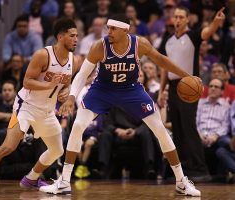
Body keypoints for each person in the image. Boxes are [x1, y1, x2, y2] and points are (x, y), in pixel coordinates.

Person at [40, 14, 201, 196]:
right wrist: (71, 97)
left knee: (160, 129)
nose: (110, 32)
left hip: (131, 90)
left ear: (126, 30)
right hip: (102, 89)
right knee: (77, 126)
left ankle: (181, 182)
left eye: (114, 29)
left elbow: (161, 60)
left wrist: (186, 75)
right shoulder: (99, 46)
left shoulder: (140, 44)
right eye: (108, 28)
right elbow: (82, 74)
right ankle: (64, 182)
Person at [0, 18, 78, 193]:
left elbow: (67, 84)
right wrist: (49, 85)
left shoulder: (73, 59)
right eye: (72, 36)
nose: (76, 39)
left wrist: (65, 92)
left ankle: (31, 178)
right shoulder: (43, 55)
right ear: (61, 36)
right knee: (8, 146)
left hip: (47, 110)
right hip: (26, 106)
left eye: (77, 36)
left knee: (57, 150)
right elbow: (26, 81)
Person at [158, 6, 225, 180]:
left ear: (188, 19)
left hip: (189, 86)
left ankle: (200, 169)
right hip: (173, 88)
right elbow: (165, 68)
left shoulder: (193, 36)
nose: (178, 20)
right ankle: (182, 171)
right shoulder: (168, 40)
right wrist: (161, 90)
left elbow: (207, 33)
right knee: (178, 129)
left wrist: (216, 22)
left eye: (181, 17)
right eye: (176, 17)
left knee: (188, 127)